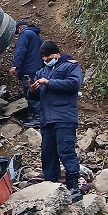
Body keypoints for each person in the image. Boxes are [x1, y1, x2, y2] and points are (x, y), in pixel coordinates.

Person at [28, 40, 83, 202]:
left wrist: (49, 82)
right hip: (46, 119)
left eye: (49, 57)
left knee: (66, 150)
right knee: (48, 154)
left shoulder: (70, 66)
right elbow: (34, 97)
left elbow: (74, 84)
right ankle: (51, 186)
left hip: (64, 117)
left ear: (57, 54)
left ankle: (73, 186)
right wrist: (32, 90)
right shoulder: (41, 71)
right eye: (44, 58)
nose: (46, 60)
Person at [9, 21, 44, 127]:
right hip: (38, 68)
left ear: (20, 28)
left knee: (31, 93)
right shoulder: (37, 36)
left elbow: (21, 50)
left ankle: (37, 118)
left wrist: (15, 66)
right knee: (37, 92)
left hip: (29, 69)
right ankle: (33, 116)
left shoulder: (25, 33)